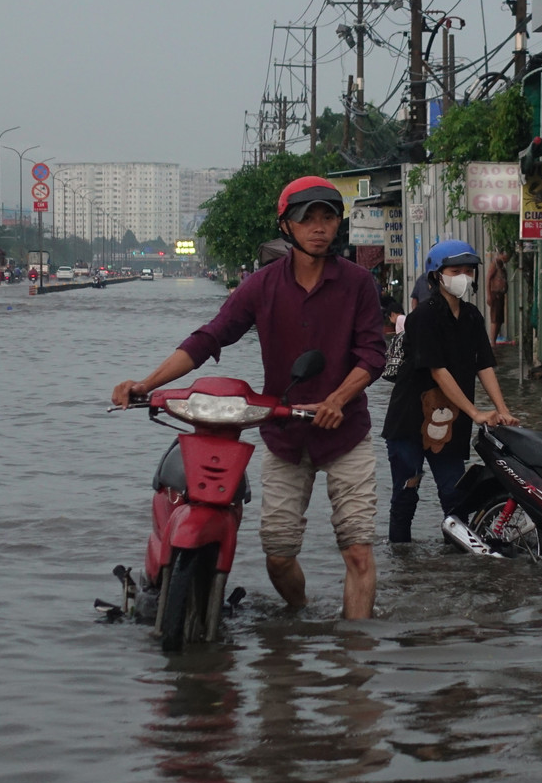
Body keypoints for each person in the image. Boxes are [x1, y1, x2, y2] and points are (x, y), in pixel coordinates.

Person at [111, 175, 386, 619]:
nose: (319, 228)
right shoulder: (262, 285)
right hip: (284, 435)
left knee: (357, 551)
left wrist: (338, 398)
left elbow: (373, 353)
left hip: (345, 434)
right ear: (287, 226)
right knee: (277, 556)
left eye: (328, 218)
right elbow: (210, 337)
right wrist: (148, 384)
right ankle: (304, 616)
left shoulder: (358, 284)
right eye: (307, 218)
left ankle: (354, 668)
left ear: (339, 225)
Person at [382, 240, 519, 543]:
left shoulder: (472, 316)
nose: (464, 276)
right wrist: (475, 412)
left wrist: (503, 409)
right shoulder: (423, 317)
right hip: (409, 421)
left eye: (469, 271)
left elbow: (484, 365)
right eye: (455, 270)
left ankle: (458, 562)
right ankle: (402, 561)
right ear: (437, 275)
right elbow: (437, 370)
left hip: (448, 422)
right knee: (406, 494)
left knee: (455, 497)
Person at [486, 250, 509, 344]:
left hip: (501, 294)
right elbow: (488, 279)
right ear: (501, 254)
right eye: (506, 255)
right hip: (495, 293)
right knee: (495, 319)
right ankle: (492, 342)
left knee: (499, 319)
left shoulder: (501, 266)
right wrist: (489, 295)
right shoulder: (494, 264)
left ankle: (494, 341)